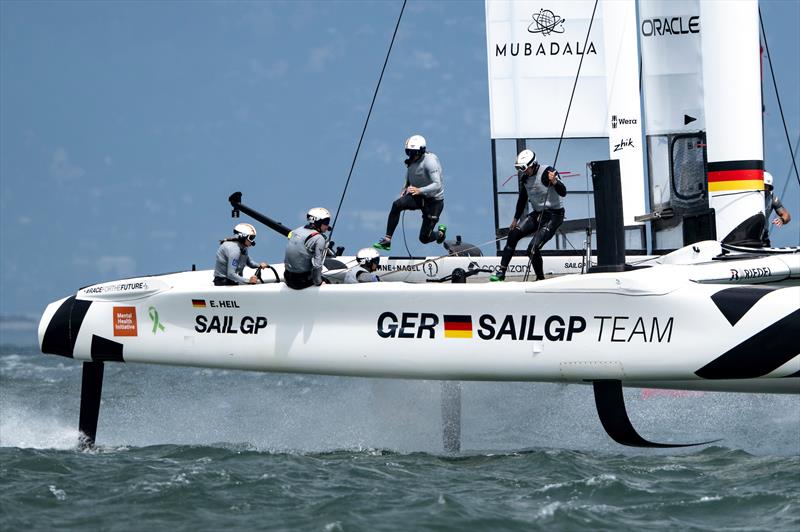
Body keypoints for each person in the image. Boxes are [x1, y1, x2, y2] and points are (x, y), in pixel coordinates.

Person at [490, 149, 567, 282]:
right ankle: (501, 272)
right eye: (520, 169)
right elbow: (522, 200)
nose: (523, 171)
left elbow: (563, 192)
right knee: (513, 234)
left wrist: (554, 182)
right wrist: (515, 219)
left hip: (554, 216)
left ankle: (540, 278)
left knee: (532, 248)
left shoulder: (548, 172)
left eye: (524, 168)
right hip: (538, 214)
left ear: (533, 164)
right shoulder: (525, 178)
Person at [373, 135, 447, 251]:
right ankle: (387, 240)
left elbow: (437, 185)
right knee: (397, 205)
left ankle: (440, 234)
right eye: (409, 152)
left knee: (424, 238)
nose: (411, 156)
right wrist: (405, 187)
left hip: (434, 202)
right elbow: (410, 173)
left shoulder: (430, 162)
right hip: (419, 196)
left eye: (413, 153)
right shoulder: (412, 160)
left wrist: (419, 190)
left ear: (421, 151)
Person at [284, 207, 331, 289]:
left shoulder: (296, 231)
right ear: (318, 222)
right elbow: (317, 266)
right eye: (326, 222)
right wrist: (319, 282)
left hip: (287, 277)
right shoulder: (319, 239)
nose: (327, 226)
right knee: (327, 282)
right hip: (301, 282)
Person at [762, 171, 791, 247]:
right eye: (763, 186)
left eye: (767, 187)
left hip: (762, 236)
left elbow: (786, 215)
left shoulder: (772, 198)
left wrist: (782, 220)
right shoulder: (749, 195)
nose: (765, 189)